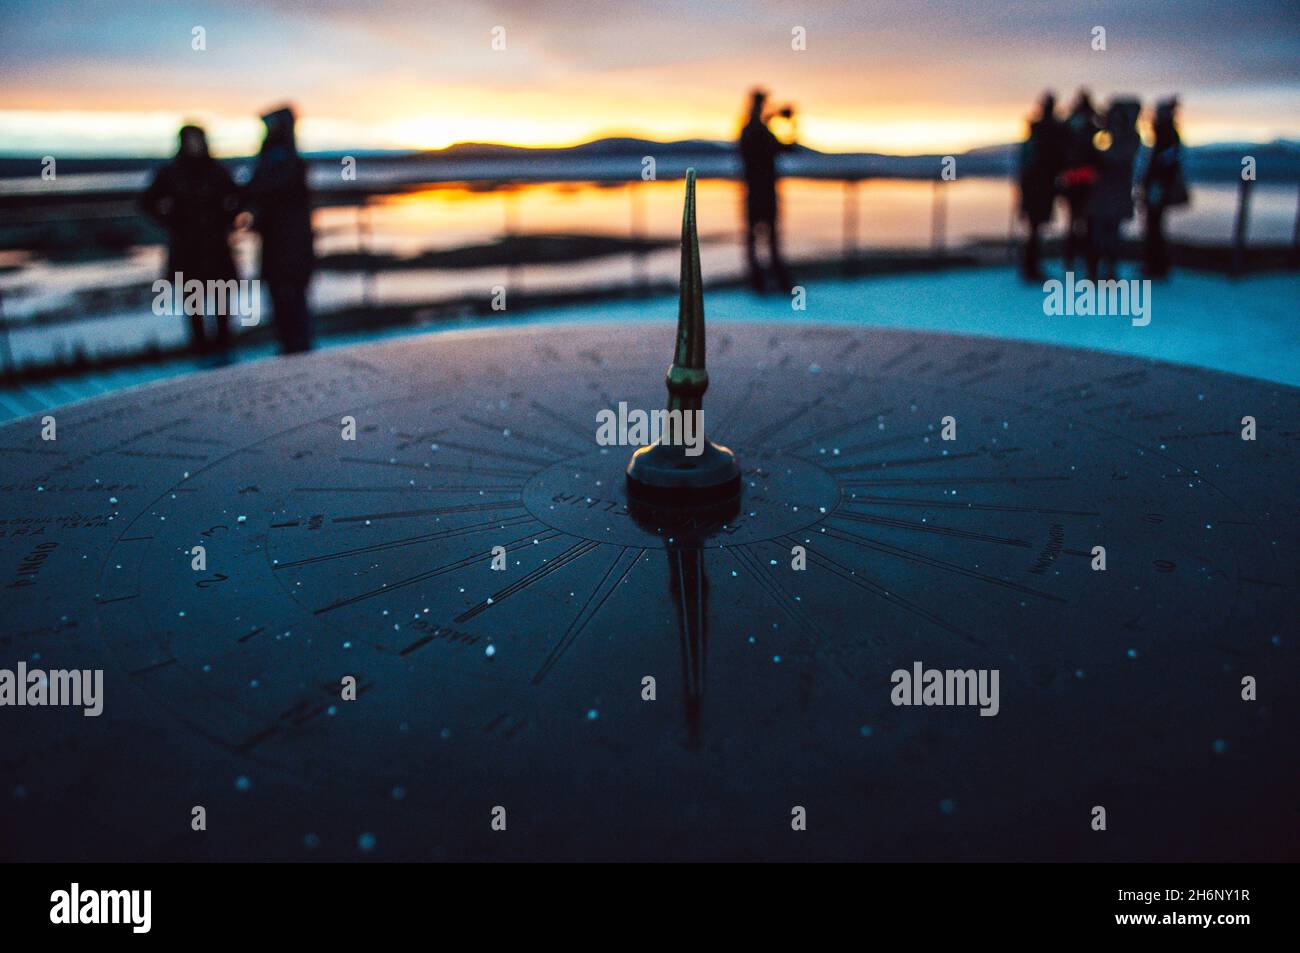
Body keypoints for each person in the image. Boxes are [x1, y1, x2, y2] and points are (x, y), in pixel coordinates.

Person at [139, 124, 241, 358]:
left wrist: (226, 220)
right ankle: (201, 347)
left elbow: (238, 197)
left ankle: (224, 345)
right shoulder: (171, 172)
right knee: (193, 302)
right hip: (187, 248)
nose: (194, 144)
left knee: (221, 299)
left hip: (215, 246)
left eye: (198, 139)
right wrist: (171, 221)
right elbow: (147, 202)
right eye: (190, 140)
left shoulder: (216, 170)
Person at [245, 105, 315, 354]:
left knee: (291, 304)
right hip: (282, 246)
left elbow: (264, 190)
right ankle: (293, 350)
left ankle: (297, 353)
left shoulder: (287, 162)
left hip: (288, 247)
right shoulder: (281, 159)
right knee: (285, 304)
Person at [738, 88, 795, 293]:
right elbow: (788, 148)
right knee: (767, 241)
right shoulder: (756, 130)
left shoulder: (751, 129)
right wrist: (787, 123)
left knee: (760, 241)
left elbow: (786, 148)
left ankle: (763, 283)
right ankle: (770, 283)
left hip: (757, 194)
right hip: (762, 194)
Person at [1087, 98, 1141, 281]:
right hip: (1102, 193)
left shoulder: (1129, 138)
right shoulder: (1105, 135)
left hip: (1116, 193)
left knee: (1112, 234)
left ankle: (1108, 271)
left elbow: (1116, 159)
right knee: (1098, 234)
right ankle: (1095, 271)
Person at [1017, 91, 1062, 281]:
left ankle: (1030, 266)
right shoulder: (1049, 131)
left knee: (1034, 228)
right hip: (1040, 186)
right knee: (1035, 228)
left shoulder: (1038, 132)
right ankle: (1031, 267)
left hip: (1036, 186)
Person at [1142, 96, 1188, 279]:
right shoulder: (1164, 133)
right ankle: (1154, 264)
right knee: (1153, 225)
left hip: (1158, 187)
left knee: (1154, 225)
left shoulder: (1167, 134)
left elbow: (1166, 164)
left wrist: (1157, 184)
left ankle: (1157, 266)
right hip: (1157, 185)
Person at [1059, 89, 1099, 273]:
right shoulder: (1088, 127)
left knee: (1078, 223)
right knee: (1082, 224)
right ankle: (1081, 262)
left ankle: (1074, 260)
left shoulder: (1072, 127)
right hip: (1082, 184)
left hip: (1077, 184)